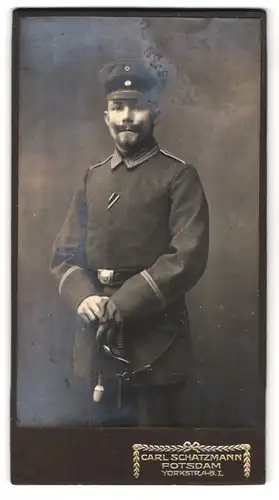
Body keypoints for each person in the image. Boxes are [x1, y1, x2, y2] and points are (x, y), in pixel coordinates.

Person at [50, 60, 209, 426]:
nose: (126, 117)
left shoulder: (178, 176)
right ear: (106, 116)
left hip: (155, 339)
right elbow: (64, 256)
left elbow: (187, 256)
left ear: (155, 112)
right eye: (117, 107)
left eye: (136, 106)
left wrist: (122, 302)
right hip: (97, 335)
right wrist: (85, 297)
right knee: (103, 456)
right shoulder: (92, 178)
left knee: (153, 450)